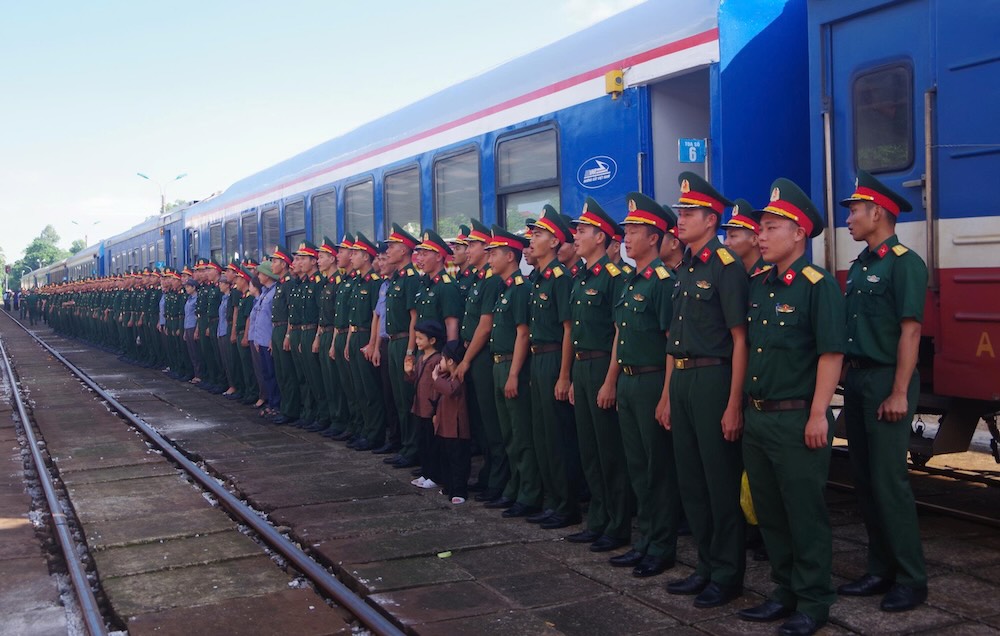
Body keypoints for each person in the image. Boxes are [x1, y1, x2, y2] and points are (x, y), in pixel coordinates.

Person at [738, 179, 844, 636]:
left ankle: (814, 601)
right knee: (770, 512)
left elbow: (830, 354)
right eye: (761, 227)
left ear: (799, 233)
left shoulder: (817, 286)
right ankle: (784, 591)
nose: (761, 235)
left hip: (797, 417)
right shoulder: (760, 284)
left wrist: (819, 413)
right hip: (759, 417)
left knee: (804, 514)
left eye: (770, 227)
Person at [838, 170, 929, 612]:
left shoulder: (904, 263)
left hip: (885, 380)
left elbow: (909, 333)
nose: (850, 218)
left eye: (855, 210)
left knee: (890, 482)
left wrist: (898, 393)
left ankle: (911, 579)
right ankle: (879, 569)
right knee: (865, 480)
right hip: (856, 381)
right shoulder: (860, 267)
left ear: (877, 212)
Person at [662, 171, 748, 608]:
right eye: (680, 211)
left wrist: (734, 404)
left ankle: (728, 573)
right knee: (692, 482)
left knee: (719, 483)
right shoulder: (685, 268)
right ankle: (706, 565)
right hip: (683, 378)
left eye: (689, 213)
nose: (681, 219)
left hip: (714, 378)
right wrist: (667, 394)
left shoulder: (725, 267)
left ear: (711, 220)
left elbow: (739, 340)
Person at [608, 192, 683, 578]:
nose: (627, 237)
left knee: (658, 469)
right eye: (626, 230)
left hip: (654, 382)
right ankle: (645, 541)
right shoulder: (628, 281)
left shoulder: (662, 283)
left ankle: (662, 547)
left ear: (654, 237)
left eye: (634, 231)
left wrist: (668, 395)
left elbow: (672, 343)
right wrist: (614, 381)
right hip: (629, 382)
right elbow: (621, 334)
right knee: (637, 467)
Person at [565, 197, 632, 554]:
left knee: (609, 452)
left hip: (605, 365)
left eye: (584, 231)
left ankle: (618, 525)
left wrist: (610, 380)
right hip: (582, 366)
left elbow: (620, 332)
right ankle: (599, 519)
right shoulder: (581, 277)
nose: (576, 236)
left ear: (602, 237)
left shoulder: (613, 278)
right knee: (589, 449)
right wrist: (575, 377)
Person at [525, 208, 582, 530]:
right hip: (538, 358)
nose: (531, 241)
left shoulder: (560, 279)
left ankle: (566, 504)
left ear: (555, 241)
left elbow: (568, 330)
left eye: (538, 235)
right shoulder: (538, 279)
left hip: (554, 358)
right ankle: (552, 500)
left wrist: (563, 375)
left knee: (558, 438)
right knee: (543, 435)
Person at [484, 226, 543, 518]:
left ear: (510, 256)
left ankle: (528, 492)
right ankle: (514, 487)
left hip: (511, 364)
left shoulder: (520, 288)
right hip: (499, 363)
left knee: (521, 434)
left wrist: (513, 375)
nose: (489, 259)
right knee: (508, 433)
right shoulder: (504, 288)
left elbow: (523, 334)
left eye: (494, 254)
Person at [455, 219, 507, 502]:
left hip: (483, 357)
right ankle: (489, 474)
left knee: (492, 422)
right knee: (481, 421)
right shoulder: (478, 280)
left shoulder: (491, 281)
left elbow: (484, 326)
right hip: (473, 355)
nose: (468, 249)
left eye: (473, 244)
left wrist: (465, 360)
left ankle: (498, 480)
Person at [377, 224, 421, 464]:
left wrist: (410, 352)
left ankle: (413, 448)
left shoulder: (410, 279)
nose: (389, 251)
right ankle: (405, 445)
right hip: (393, 342)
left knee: (407, 398)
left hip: (405, 341)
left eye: (392, 247)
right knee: (397, 399)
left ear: (404, 250)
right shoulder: (397, 279)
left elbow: (414, 317)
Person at [345, 232, 387, 451]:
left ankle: (374, 433)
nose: (351, 257)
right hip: (355, 335)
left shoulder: (373, 283)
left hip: (365, 336)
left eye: (355, 253)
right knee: (358, 388)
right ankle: (364, 429)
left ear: (366, 256)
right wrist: (347, 342)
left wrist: (372, 343)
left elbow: (376, 317)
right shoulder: (358, 281)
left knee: (370, 389)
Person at [405, 320, 446, 491]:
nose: (417, 341)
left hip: (430, 408)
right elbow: (416, 380)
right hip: (420, 407)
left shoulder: (436, 359)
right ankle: (426, 472)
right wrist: (409, 372)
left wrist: (436, 408)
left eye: (421, 338)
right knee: (422, 442)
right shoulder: (421, 358)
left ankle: (434, 475)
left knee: (432, 444)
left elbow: (437, 386)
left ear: (433, 340)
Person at [433, 340, 473, 504]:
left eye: (442, 359)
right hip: (444, 427)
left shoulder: (458, 377)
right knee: (446, 458)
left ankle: (459, 490)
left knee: (458, 460)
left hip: (456, 428)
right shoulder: (446, 376)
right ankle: (449, 485)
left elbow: (450, 390)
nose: (440, 363)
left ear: (450, 361)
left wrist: (435, 378)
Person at [268, 246, 300, 425]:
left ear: (283, 264)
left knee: (288, 373)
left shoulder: (288, 284)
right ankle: (285, 407)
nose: (271, 265)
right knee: (280, 372)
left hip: (284, 329)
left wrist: (287, 335)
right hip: (277, 330)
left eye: (274, 261)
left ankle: (291, 410)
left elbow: (290, 312)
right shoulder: (280, 284)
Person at [251, 261, 280, 419]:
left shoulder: (274, 292)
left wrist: (271, 339)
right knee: (266, 374)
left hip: (268, 340)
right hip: (260, 340)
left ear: (268, 275)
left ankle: (276, 404)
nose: (258, 276)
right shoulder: (264, 292)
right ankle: (271, 403)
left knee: (272, 373)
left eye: (261, 273)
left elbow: (274, 319)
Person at [722, 199, 768, 275]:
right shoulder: (730, 275)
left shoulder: (767, 277)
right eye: (727, 236)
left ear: (754, 240)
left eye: (733, 236)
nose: (726, 242)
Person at [182, 278, 202, 384]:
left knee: (196, 352)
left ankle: (199, 375)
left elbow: (198, 315)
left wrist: (197, 330)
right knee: (191, 352)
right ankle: (195, 374)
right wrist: (185, 330)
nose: (186, 289)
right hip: (188, 326)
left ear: (194, 287)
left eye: (188, 287)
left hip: (194, 326)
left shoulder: (197, 298)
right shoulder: (189, 299)